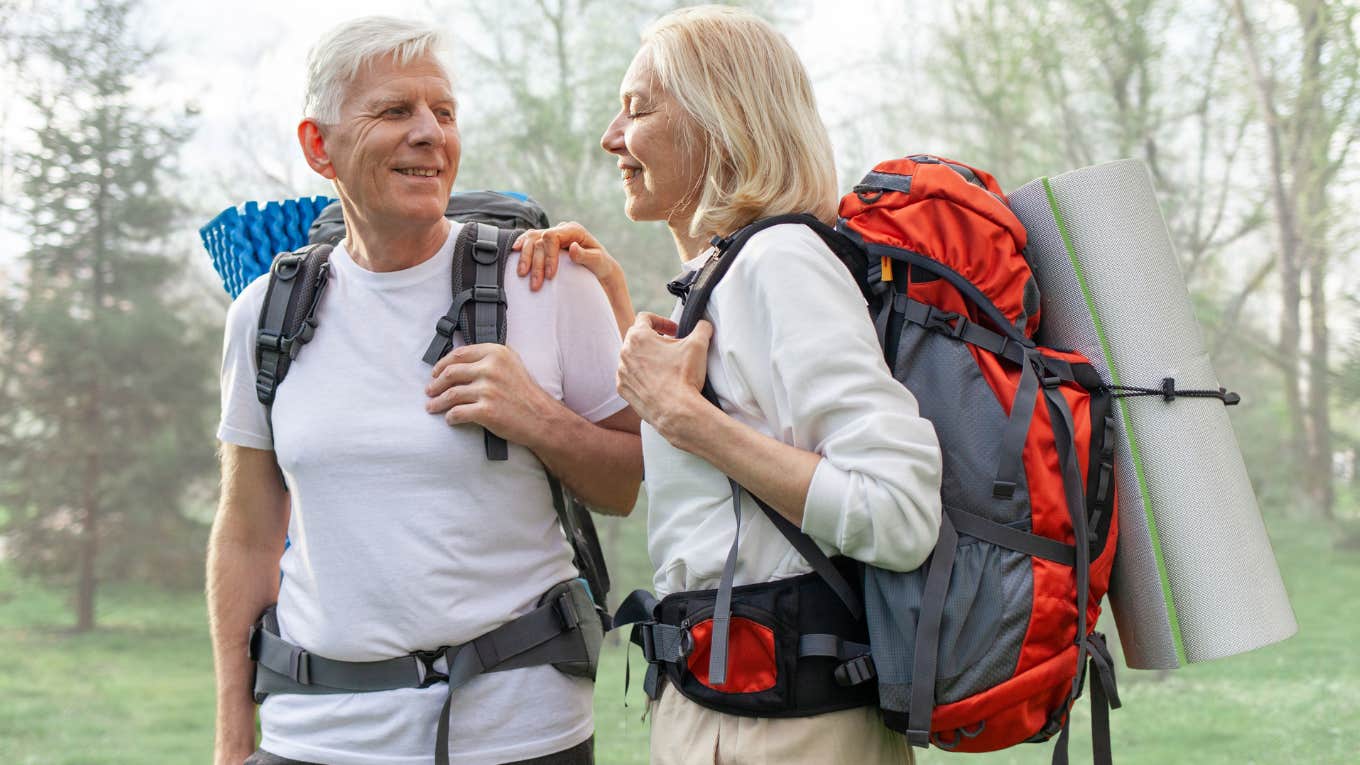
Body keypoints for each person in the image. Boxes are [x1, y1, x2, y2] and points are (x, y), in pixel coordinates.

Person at [207, 16, 642, 765]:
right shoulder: (264, 315)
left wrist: (538, 418)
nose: (428, 133)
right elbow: (247, 529)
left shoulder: (544, 282)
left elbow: (627, 481)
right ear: (320, 147)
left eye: (443, 112)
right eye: (394, 111)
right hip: (315, 736)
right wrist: (232, 732)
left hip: (519, 735)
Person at [515, 6, 942, 764]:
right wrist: (621, 302)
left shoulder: (782, 262)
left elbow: (900, 510)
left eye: (639, 108)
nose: (612, 136)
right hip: (723, 711)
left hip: (788, 731)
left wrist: (683, 416)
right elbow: (718, 491)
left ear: (723, 120)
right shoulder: (731, 273)